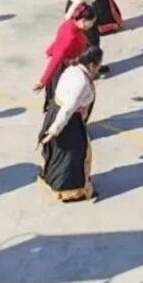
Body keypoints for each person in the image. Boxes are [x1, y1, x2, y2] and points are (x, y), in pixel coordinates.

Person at [38, 46, 102, 202]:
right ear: (92, 65)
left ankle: (54, 181)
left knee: (58, 154)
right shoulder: (81, 83)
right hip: (68, 122)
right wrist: (55, 130)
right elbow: (68, 108)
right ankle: (73, 191)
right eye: (98, 65)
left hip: (55, 113)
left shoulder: (72, 70)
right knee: (74, 155)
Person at [35, 5, 96, 107]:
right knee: (61, 100)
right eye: (92, 22)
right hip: (62, 69)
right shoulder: (70, 37)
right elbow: (56, 60)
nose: (92, 24)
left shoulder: (70, 24)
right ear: (83, 20)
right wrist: (43, 81)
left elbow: (58, 41)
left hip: (67, 64)